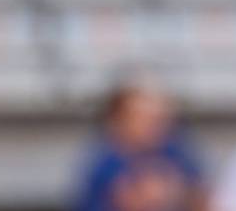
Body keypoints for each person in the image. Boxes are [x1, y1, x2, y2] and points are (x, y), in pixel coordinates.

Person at [73, 84, 206, 211]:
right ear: (120, 120)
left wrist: (179, 193)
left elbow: (202, 196)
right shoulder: (102, 163)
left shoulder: (175, 152)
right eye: (145, 118)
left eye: (160, 119)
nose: (156, 126)